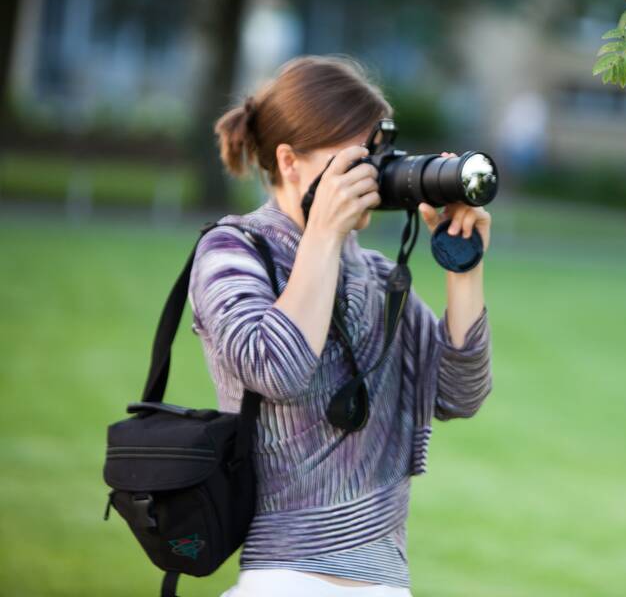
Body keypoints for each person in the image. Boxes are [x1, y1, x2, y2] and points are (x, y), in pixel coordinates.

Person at [190, 55, 493, 597]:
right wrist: (323, 236)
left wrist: (463, 266)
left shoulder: (376, 272)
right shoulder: (233, 250)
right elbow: (277, 369)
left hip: (384, 581)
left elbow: (458, 394)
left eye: (378, 156)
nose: (372, 176)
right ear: (290, 162)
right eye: (356, 159)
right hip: (282, 577)